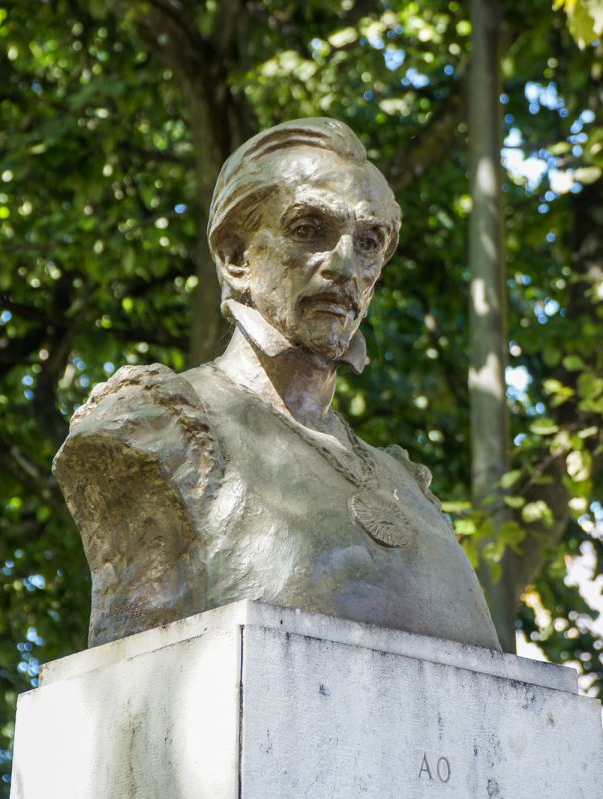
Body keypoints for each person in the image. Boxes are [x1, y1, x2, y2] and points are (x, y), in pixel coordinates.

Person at [54, 118, 500, 650]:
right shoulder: (154, 429)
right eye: (308, 230)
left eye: (369, 242)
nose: (343, 266)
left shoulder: (404, 482)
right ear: (236, 257)